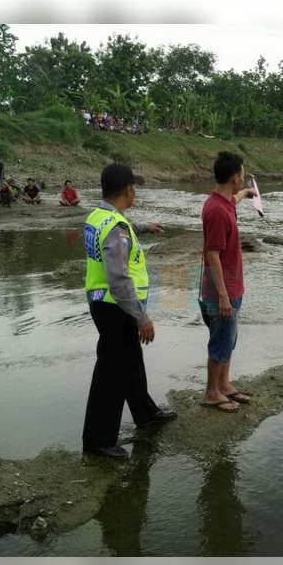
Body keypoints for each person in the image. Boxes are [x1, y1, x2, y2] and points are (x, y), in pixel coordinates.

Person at [82, 163, 176, 459]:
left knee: (131, 362)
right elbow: (119, 279)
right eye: (135, 187)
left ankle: (146, 414)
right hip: (116, 307)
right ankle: (98, 442)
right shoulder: (115, 227)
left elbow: (117, 236)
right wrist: (142, 316)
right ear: (128, 190)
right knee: (111, 374)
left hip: (105, 304)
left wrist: (143, 227)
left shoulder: (101, 217)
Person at [198, 151, 256, 413]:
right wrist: (222, 294)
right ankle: (212, 392)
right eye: (242, 175)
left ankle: (224, 383)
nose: (243, 178)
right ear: (235, 177)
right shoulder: (216, 211)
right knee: (220, 340)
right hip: (220, 290)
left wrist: (247, 194)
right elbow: (212, 254)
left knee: (229, 338)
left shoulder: (224, 201)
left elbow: (234, 199)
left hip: (232, 286)